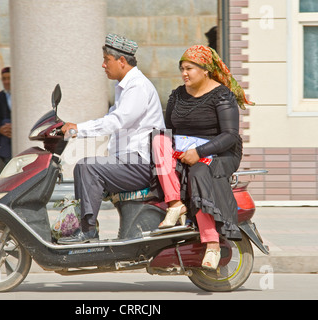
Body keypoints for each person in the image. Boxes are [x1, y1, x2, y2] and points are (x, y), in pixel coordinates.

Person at [152, 45, 254, 270]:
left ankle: (212, 245)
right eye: (182, 68)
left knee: (199, 172)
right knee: (159, 139)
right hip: (186, 150)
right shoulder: (177, 94)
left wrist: (199, 152)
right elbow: (169, 130)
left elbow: (230, 135)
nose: (184, 73)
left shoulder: (221, 95)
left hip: (220, 153)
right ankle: (175, 204)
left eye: (189, 68)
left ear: (205, 70)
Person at [58, 34, 165, 244]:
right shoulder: (125, 88)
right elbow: (111, 120)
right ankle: (85, 227)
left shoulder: (137, 87)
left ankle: (88, 232)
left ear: (121, 61)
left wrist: (77, 129)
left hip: (140, 163)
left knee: (87, 167)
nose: (103, 65)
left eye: (106, 60)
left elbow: (115, 122)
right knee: (87, 168)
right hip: (130, 162)